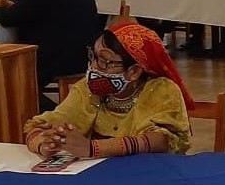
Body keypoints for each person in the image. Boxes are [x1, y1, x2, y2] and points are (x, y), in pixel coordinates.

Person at [24, 22, 193, 159]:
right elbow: (42, 125)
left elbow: (160, 141)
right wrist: (43, 143)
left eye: (106, 62)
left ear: (134, 71)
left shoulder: (161, 89)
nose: (95, 67)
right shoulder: (87, 89)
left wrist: (93, 148)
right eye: (94, 57)